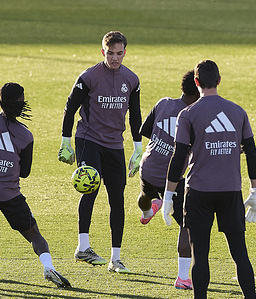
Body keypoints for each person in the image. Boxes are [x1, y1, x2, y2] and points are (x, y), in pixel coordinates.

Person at [164, 60, 256, 299]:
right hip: (231, 192)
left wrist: (168, 196)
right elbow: (251, 151)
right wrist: (255, 192)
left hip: (198, 192)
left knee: (200, 256)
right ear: (219, 80)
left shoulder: (188, 114)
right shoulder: (238, 112)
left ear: (196, 83)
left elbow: (178, 158)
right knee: (240, 253)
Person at [0, 82, 71, 288]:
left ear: (0, 102)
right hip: (10, 193)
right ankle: (48, 267)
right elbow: (25, 172)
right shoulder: (26, 135)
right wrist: (7, 164)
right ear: (23, 103)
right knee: (34, 234)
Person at [58, 30, 142, 274]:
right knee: (90, 187)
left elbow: (135, 114)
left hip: (115, 144)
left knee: (117, 199)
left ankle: (115, 259)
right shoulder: (89, 77)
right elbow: (70, 107)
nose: (115, 58)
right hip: (89, 139)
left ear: (125, 52)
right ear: (102, 51)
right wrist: (66, 142)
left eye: (119, 53)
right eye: (110, 53)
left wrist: (138, 147)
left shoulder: (132, 80)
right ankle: (83, 247)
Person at [137, 70, 199, 290]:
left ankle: (148, 210)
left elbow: (145, 131)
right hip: (174, 179)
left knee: (144, 197)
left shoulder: (163, 103)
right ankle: (183, 277)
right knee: (186, 224)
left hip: (148, 168)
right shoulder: (194, 115)